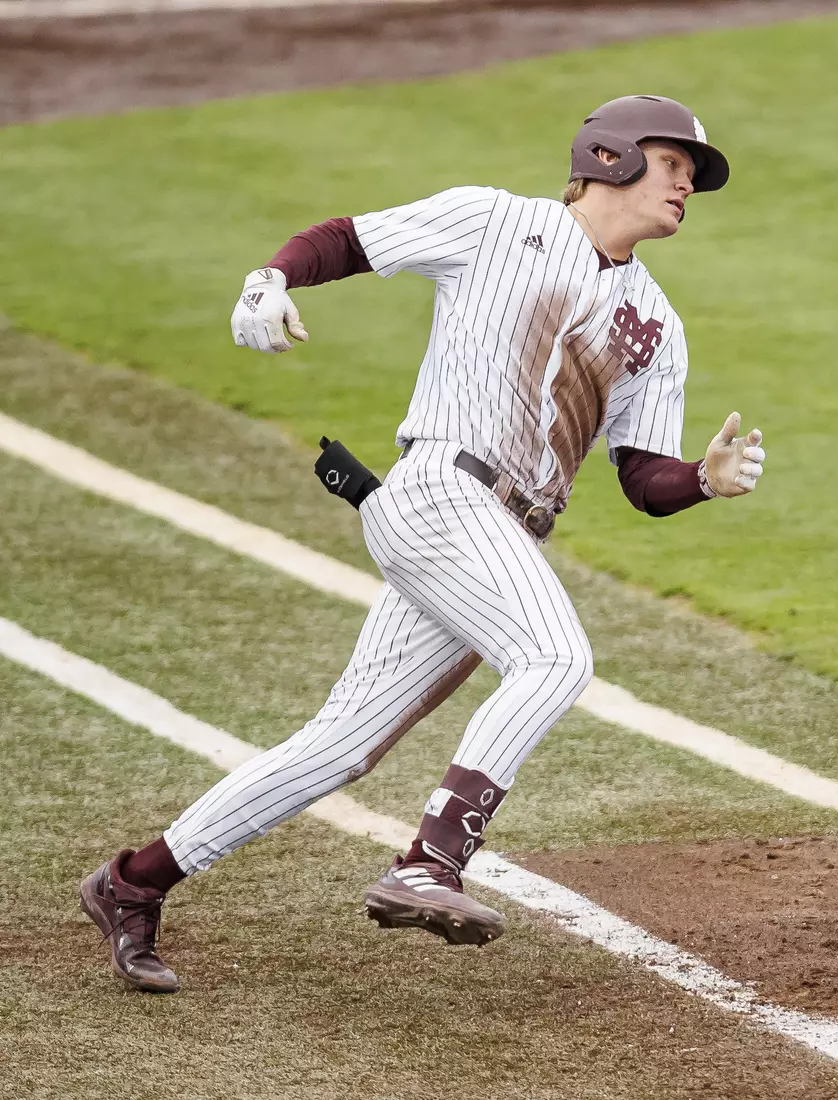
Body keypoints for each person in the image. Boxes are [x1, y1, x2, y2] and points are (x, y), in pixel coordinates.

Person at [78, 95, 766, 993]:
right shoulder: (492, 220)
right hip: (441, 490)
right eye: (675, 164)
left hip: (500, 536)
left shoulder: (656, 327)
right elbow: (349, 239)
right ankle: (431, 862)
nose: (687, 186)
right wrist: (271, 279)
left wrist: (702, 480)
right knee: (556, 658)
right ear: (611, 156)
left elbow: (643, 480)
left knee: (342, 745)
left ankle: (131, 884)